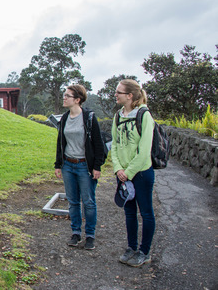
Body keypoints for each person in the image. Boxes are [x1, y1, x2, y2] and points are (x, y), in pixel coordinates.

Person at [54, 85, 105, 250]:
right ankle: (75, 233)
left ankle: (90, 235)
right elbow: (60, 143)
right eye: (64, 95)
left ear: (77, 100)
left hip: (85, 166)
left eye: (67, 95)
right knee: (73, 202)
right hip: (68, 165)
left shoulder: (89, 118)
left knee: (88, 202)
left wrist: (97, 166)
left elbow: (98, 144)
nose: (64, 98)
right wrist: (58, 164)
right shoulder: (64, 118)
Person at [111, 79, 155, 267]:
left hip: (141, 173)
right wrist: (118, 169)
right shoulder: (118, 116)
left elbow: (144, 150)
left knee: (145, 212)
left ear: (129, 95)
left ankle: (144, 252)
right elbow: (113, 144)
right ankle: (131, 247)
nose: (116, 95)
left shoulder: (144, 116)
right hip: (123, 174)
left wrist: (128, 172)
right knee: (129, 213)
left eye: (119, 92)